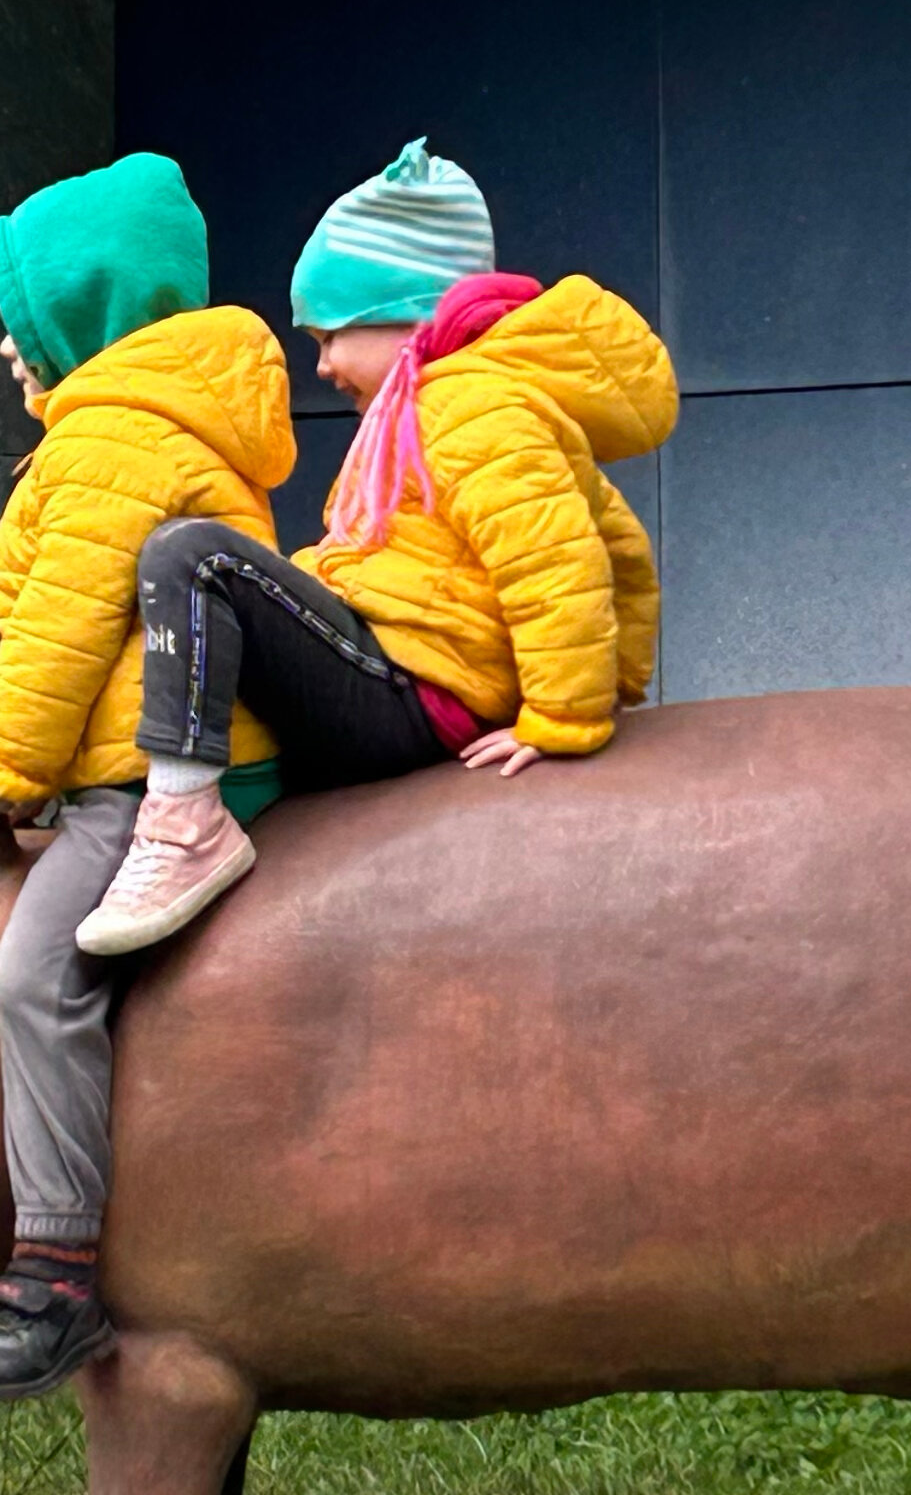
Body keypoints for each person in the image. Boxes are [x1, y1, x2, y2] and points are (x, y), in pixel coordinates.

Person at [75, 137, 677, 959]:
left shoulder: (470, 409)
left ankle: (184, 827)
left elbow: (555, 560)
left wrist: (568, 716)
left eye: (330, 336)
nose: (320, 365)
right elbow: (622, 548)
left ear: (409, 317)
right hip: (408, 671)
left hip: (415, 694)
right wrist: (621, 683)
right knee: (245, 576)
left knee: (193, 556)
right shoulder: (460, 404)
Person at [0, 150, 292, 1400]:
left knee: (37, 983)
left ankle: (54, 1279)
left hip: (141, 783)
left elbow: (65, 627)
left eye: (19, 324)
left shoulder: (114, 437)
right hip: (144, 757)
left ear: (81, 317)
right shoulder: (159, 418)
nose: (6, 352)